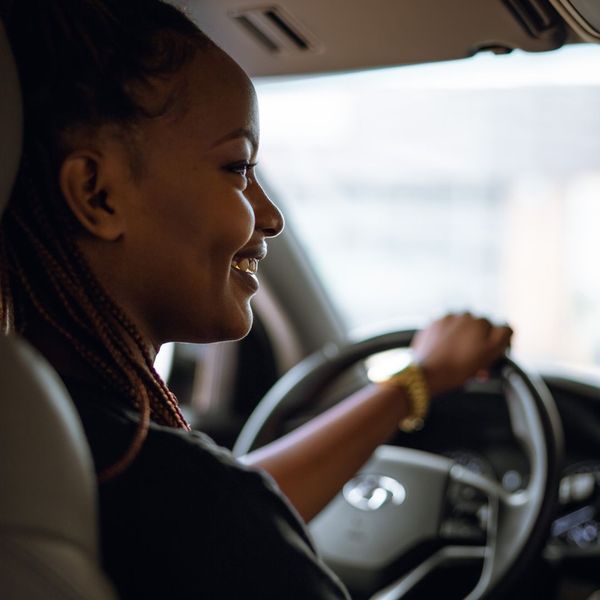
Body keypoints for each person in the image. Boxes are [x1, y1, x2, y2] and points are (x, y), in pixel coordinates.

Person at [0, 0, 512, 597]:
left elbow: (217, 508)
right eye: (237, 167)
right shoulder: (189, 500)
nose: (270, 217)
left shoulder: (49, 449)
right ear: (98, 193)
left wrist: (414, 383)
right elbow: (215, 514)